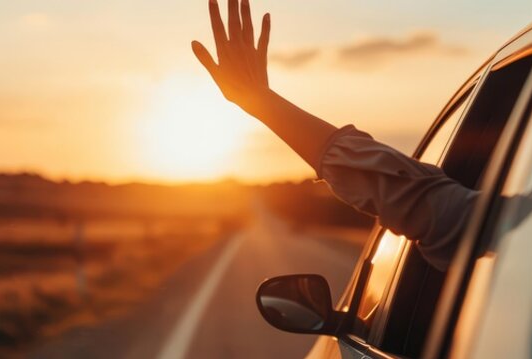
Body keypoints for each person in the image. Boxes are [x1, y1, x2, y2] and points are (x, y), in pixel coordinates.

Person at [190, 0, 478, 270]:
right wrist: (262, 101)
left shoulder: (491, 226)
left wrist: (262, 102)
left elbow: (423, 205)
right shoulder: (500, 228)